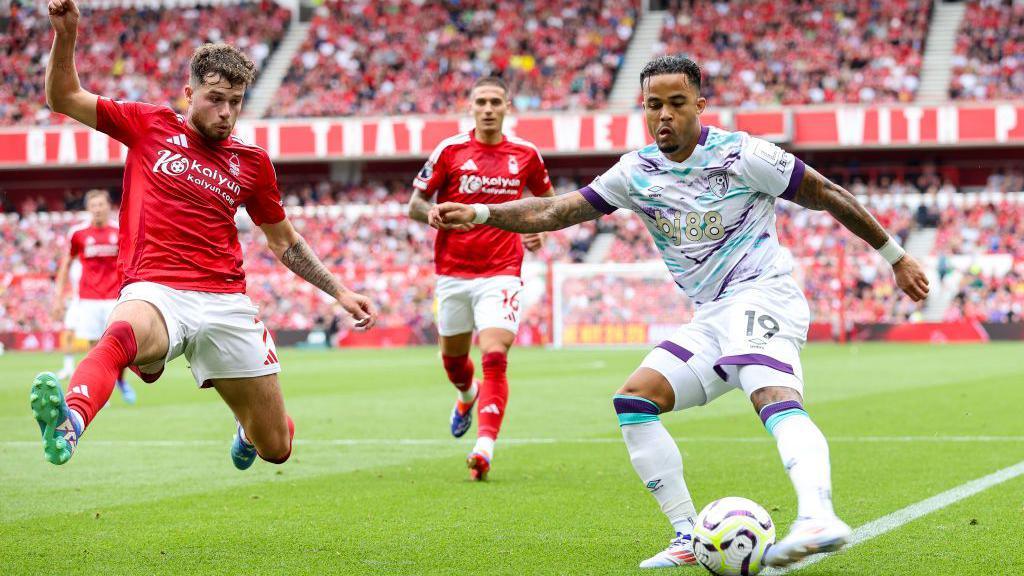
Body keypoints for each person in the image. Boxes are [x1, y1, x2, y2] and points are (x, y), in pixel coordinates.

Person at [429, 55, 930, 567]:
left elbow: (825, 193)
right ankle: (690, 535)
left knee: (771, 393)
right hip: (711, 314)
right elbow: (557, 210)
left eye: (676, 103)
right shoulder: (636, 171)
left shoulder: (740, 154)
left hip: (763, 293)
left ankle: (818, 515)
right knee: (634, 401)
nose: (664, 115)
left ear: (700, 105)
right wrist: (483, 213)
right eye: (653, 105)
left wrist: (895, 255)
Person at [32, 0, 376, 470]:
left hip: (225, 300)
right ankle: (70, 421)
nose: (226, 112)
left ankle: (245, 428)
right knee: (120, 334)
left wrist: (339, 290)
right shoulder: (148, 124)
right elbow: (64, 97)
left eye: (235, 102)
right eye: (215, 99)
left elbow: (285, 242)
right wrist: (66, 34)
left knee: (276, 447)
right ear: (189, 93)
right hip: (156, 289)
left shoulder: (252, 164)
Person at [408, 76, 554, 480]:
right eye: (481, 102)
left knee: (493, 356)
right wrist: (432, 215)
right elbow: (414, 205)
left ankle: (484, 448)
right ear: (470, 107)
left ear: (508, 107)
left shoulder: (525, 154)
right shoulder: (450, 150)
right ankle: (466, 395)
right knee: (454, 363)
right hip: (453, 273)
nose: (488, 109)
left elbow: (549, 203)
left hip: (501, 273)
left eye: (495, 102)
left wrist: (537, 228)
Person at [52, 189, 136, 404]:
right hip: (88, 299)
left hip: (115, 298)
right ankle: (102, 392)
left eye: (101, 205)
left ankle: (121, 381)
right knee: (96, 349)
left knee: (121, 346)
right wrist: (58, 296)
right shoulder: (78, 233)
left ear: (109, 206)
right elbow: (66, 263)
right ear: (88, 209)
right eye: (93, 206)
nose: (98, 209)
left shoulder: (120, 230)